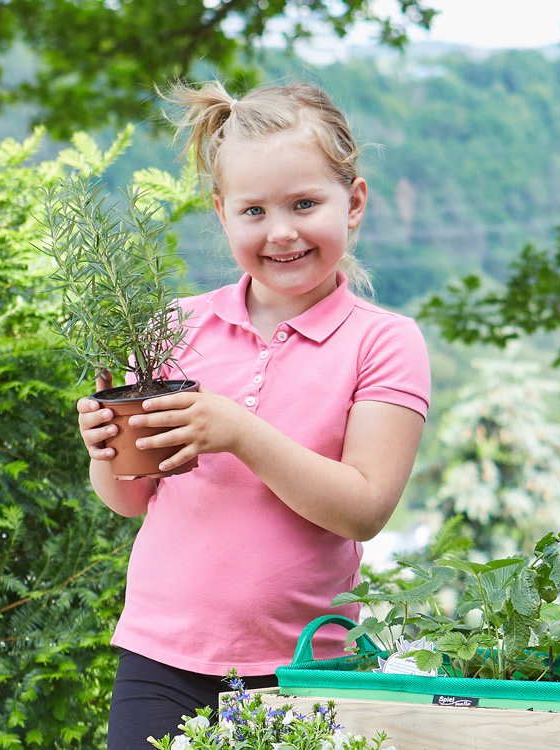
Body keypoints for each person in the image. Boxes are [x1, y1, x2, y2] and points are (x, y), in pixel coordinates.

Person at [74, 81, 431, 749]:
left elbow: (364, 507)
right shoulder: (173, 329)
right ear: (222, 214)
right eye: (255, 211)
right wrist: (104, 449)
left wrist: (237, 432)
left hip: (303, 670)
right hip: (161, 657)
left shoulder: (383, 341)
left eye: (304, 203)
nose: (282, 232)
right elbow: (127, 499)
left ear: (352, 203)